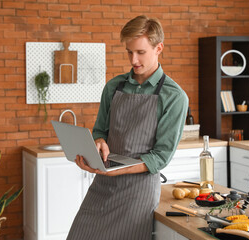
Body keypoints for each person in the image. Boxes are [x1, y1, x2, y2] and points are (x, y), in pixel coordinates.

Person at [67, 15, 188, 240]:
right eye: (129, 52)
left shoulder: (174, 96)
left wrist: (113, 170)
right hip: (102, 186)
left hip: (138, 193)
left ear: (158, 48)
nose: (133, 60)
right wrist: (99, 143)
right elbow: (101, 131)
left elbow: (160, 158)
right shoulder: (114, 86)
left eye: (140, 52)